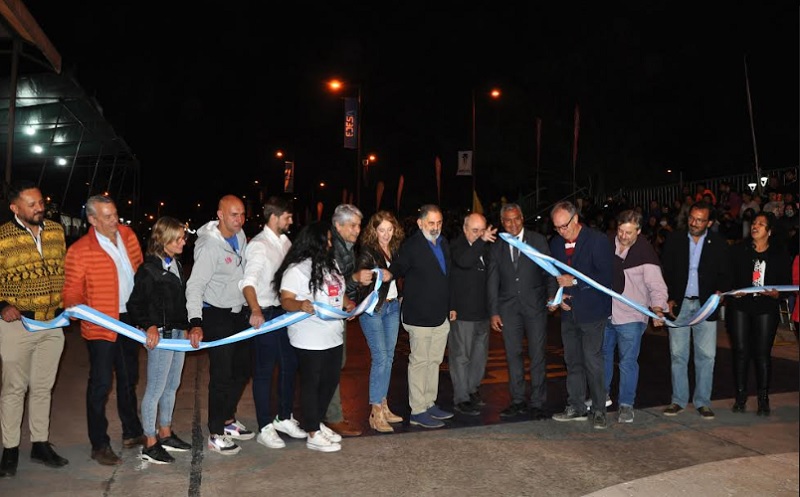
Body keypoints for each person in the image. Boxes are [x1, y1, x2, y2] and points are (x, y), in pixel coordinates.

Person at [63, 194, 145, 465]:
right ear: (92, 220)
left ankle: (132, 432)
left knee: (128, 378)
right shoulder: (80, 250)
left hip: (129, 321)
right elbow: (72, 291)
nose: (115, 220)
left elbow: (140, 272)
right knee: (100, 384)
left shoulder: (128, 236)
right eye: (108, 217)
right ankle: (99, 444)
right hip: (101, 325)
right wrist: (75, 307)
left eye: (115, 214)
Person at [0, 180, 69, 477]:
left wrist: (71, 303)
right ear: (15, 207)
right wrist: (2, 305)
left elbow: (65, 270)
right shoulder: (2, 237)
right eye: (32, 204)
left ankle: (40, 444)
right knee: (14, 388)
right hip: (17, 325)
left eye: (40, 202)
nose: (40, 207)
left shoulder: (56, 231)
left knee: (43, 387)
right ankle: (10, 449)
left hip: (52, 323)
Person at [274, 221, 355, 452]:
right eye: (327, 240)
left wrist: (348, 305)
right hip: (309, 337)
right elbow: (285, 300)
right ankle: (312, 431)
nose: (330, 244)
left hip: (334, 335)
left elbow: (338, 293)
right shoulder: (296, 270)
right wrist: (301, 304)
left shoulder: (331, 265)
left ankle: (317, 422)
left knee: (329, 381)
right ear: (314, 242)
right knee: (312, 383)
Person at [126, 217, 201, 464]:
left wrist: (191, 326)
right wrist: (149, 325)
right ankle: (149, 441)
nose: (183, 242)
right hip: (161, 337)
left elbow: (179, 303)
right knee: (155, 389)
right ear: (164, 239)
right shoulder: (148, 270)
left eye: (184, 238)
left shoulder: (176, 265)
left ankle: (165, 432)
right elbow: (135, 304)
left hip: (178, 334)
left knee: (172, 385)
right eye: (178, 238)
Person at [186, 194, 253, 455]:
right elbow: (195, 286)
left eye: (242, 214)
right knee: (222, 375)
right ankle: (215, 432)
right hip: (216, 314)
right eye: (234, 214)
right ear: (220, 214)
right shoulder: (208, 246)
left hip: (238, 313)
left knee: (242, 369)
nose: (239, 219)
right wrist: (195, 322)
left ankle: (228, 419)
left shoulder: (241, 235)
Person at [238, 196, 307, 449]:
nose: (291, 221)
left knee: (290, 364)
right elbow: (248, 281)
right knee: (264, 371)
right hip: (264, 314)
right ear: (274, 217)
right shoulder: (258, 246)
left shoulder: (285, 242)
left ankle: (284, 417)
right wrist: (255, 310)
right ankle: (264, 426)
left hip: (283, 313)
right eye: (288, 217)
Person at [660, 201, 731, 420]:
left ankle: (703, 402)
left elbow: (726, 274)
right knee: (678, 355)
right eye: (692, 218)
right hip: (680, 304)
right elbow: (666, 271)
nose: (694, 223)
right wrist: (668, 298)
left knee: (706, 356)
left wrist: (720, 293)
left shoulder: (718, 244)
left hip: (705, 305)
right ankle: (678, 400)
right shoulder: (675, 240)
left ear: (709, 222)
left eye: (700, 220)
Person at [548, 201, 614, 429]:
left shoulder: (597, 240)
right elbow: (553, 274)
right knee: (572, 362)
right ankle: (576, 406)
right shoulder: (556, 243)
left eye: (564, 226)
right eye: (556, 227)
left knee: (592, 362)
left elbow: (605, 278)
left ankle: (598, 410)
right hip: (569, 314)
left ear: (576, 219)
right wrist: (559, 296)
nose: (560, 231)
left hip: (593, 311)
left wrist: (574, 283)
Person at [487, 204, 556, 421]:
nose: (513, 224)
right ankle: (517, 400)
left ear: (522, 217)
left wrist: (553, 295)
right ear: (502, 222)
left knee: (537, 355)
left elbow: (549, 271)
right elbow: (492, 280)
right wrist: (494, 311)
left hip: (535, 306)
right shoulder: (498, 246)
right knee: (512, 355)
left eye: (516, 218)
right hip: (508, 310)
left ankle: (537, 402)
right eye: (508, 220)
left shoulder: (537, 240)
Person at [389, 204, 453, 429]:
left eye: (439, 223)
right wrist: (385, 273)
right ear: (420, 223)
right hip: (418, 315)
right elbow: (398, 267)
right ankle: (418, 410)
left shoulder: (443, 242)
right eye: (431, 223)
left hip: (439, 315)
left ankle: (429, 403)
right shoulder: (412, 246)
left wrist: (450, 307)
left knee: (434, 362)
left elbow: (447, 276)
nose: (435, 227)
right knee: (419, 362)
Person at [603, 210, 669, 423]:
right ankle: (600, 396)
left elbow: (657, 286)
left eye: (629, 233)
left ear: (638, 231)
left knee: (627, 362)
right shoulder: (607, 243)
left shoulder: (645, 252)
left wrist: (658, 309)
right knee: (602, 357)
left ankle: (625, 405)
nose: (623, 236)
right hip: (606, 313)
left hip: (632, 316)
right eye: (621, 231)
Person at [726, 212, 791, 416]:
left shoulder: (779, 254)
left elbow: (786, 283)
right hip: (740, 307)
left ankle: (763, 399)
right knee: (741, 352)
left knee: (763, 354)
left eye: (761, 224)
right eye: (754, 223)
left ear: (769, 231)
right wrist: (731, 291)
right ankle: (740, 397)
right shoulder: (738, 250)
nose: (755, 226)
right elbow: (727, 276)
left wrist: (777, 294)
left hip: (765, 307)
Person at [324, 204, 373, 437]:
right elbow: (331, 282)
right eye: (352, 225)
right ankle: (332, 416)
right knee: (332, 363)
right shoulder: (331, 248)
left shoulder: (347, 247)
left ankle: (327, 413)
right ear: (338, 225)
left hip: (338, 312)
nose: (357, 230)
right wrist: (353, 280)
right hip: (327, 315)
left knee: (336, 362)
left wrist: (351, 301)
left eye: (359, 225)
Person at [354, 210, 405, 432]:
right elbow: (361, 279)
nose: (385, 234)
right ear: (374, 231)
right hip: (374, 309)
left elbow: (398, 274)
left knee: (389, 357)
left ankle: (383, 404)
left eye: (389, 230)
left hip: (393, 306)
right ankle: (375, 412)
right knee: (381, 357)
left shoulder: (394, 249)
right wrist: (377, 275)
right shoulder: (367, 251)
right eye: (381, 230)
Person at [448, 212, 497, 417]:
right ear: (465, 229)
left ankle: (472, 389)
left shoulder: (486, 247)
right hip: (463, 312)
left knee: (479, 357)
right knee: (461, 357)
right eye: (475, 230)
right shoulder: (457, 246)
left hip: (483, 313)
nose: (479, 235)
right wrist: (482, 241)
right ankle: (461, 398)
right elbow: (465, 261)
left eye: (482, 230)